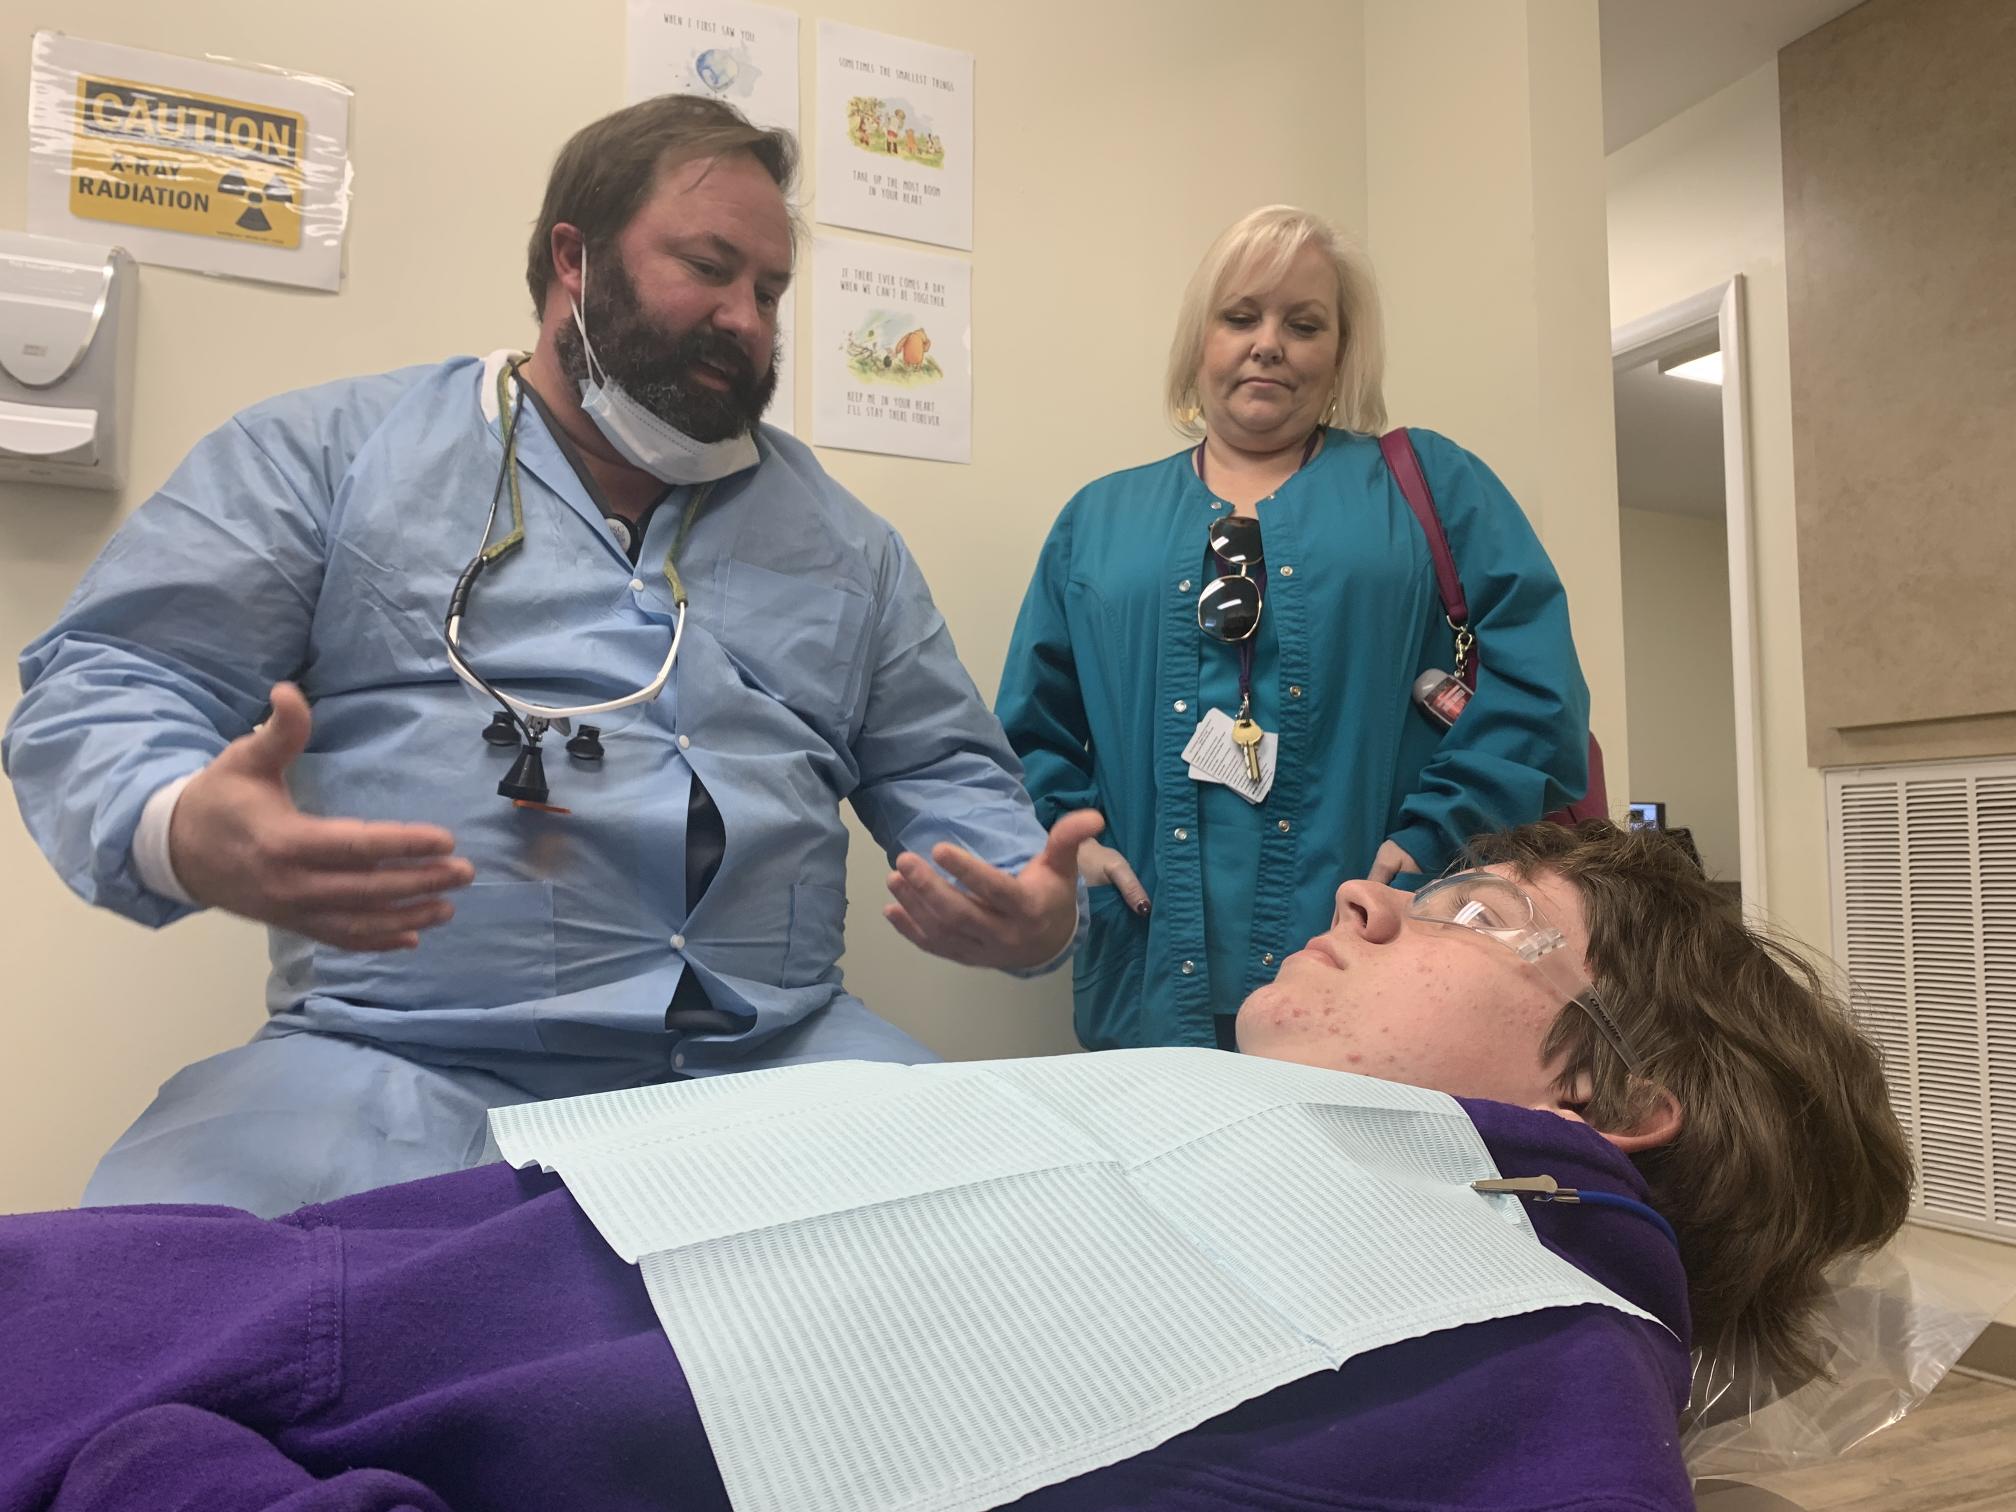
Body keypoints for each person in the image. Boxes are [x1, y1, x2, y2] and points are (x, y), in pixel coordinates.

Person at [0, 823, 1914, 1511]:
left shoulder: (1528, 1377)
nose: (1374, 893)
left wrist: (163, 1465)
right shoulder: (1346, 1178)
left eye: (1481, 909)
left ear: (1628, 1084)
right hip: (210, 1315)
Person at [1, 95, 1088, 1218]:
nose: (748, 321)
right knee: (162, 1312)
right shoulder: (329, 456)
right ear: (574, 256)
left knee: (1044, 1249)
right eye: (709, 268)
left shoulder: (846, 542)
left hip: (780, 1066)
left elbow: (941, 769)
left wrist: (1029, 905)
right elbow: (116, 677)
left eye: (768, 292)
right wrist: (176, 825)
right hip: (393, 1075)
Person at [997, 205, 1592, 1053]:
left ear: (1341, 352)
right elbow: (1030, 726)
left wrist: (1432, 835)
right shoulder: (1097, 522)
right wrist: (1073, 846)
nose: (1267, 342)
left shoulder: (1431, 487)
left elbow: (1538, 693)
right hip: (1147, 963)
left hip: (1383, 954)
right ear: (1198, 341)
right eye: (1240, 316)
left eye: (1303, 323)